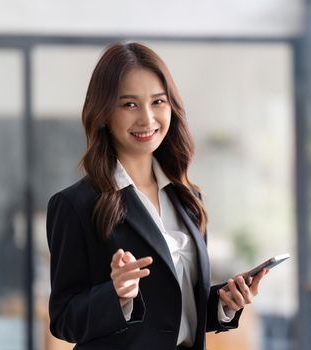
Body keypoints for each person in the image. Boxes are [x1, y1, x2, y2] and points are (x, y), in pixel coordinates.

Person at [46, 42, 268, 350]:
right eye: (129, 104)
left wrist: (224, 304)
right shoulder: (75, 205)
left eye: (158, 102)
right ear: (104, 113)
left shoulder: (189, 198)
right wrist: (117, 295)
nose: (147, 119)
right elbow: (63, 320)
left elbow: (178, 307)